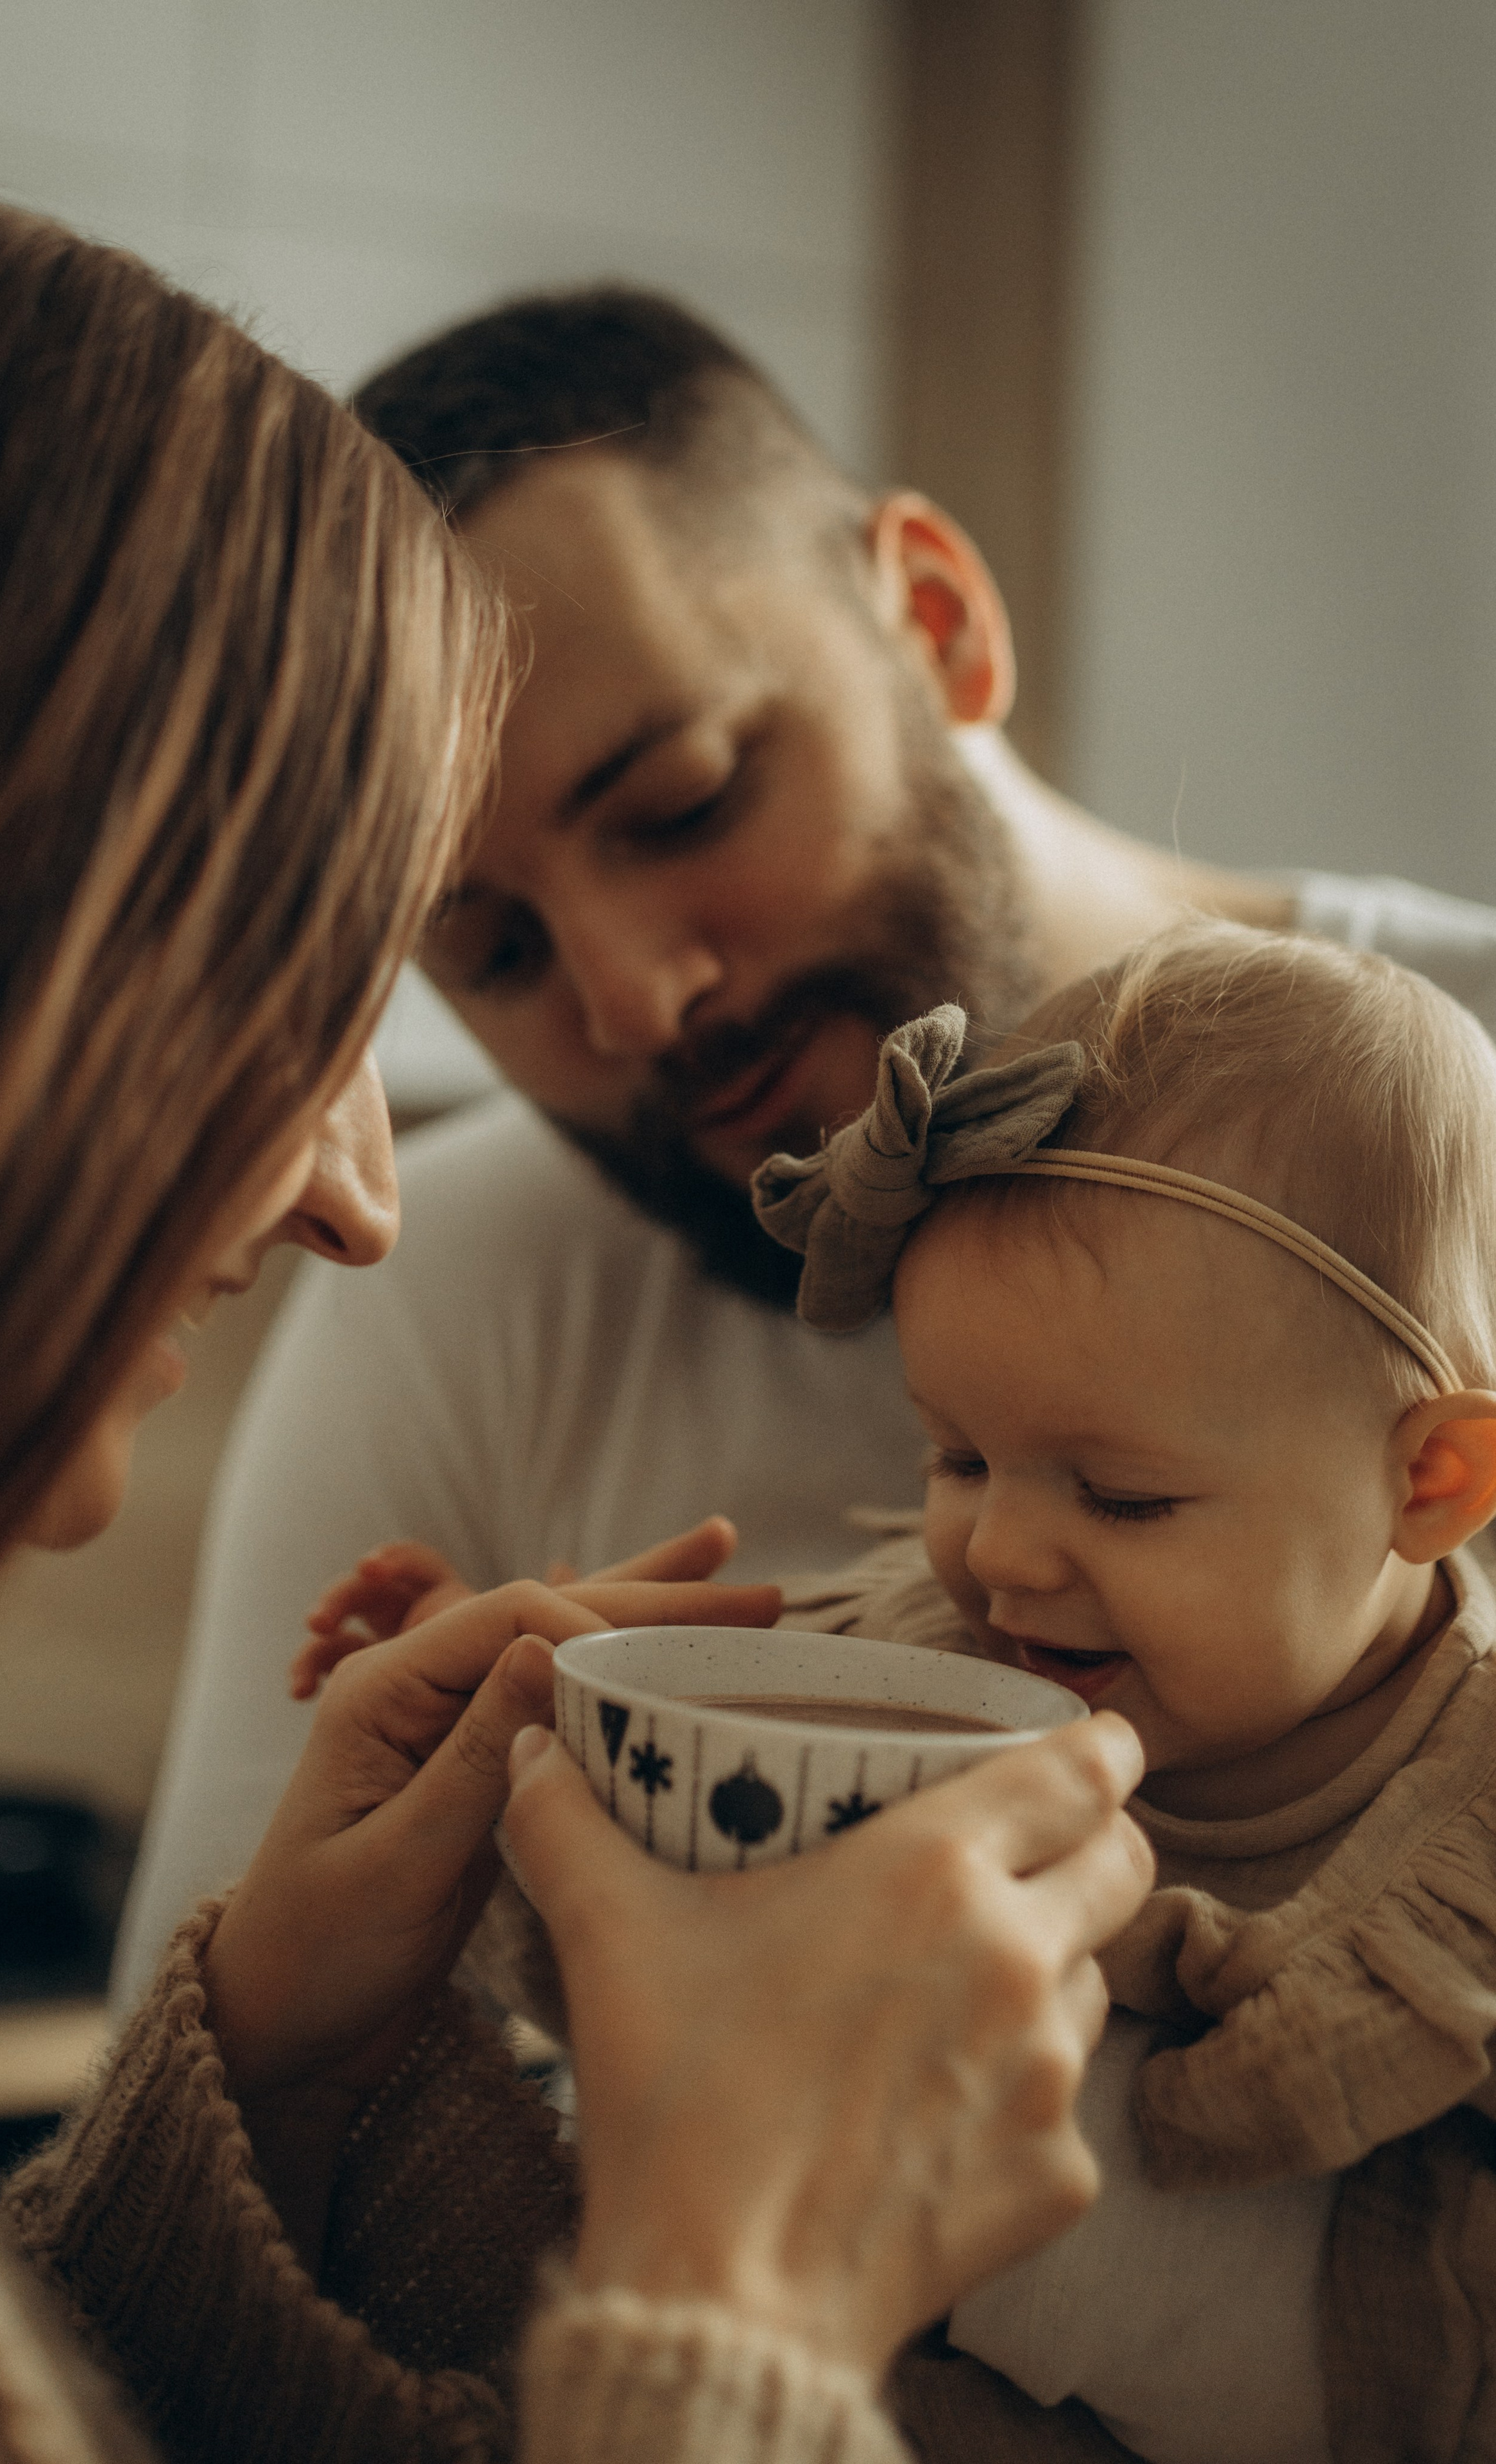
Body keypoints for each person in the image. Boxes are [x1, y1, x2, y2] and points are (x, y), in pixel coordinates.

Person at [0, 195, 1155, 2464]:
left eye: (684, 804)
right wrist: (735, 2312)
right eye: (418, 964)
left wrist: (281, 2068)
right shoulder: (479, 1278)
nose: (369, 1190)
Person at [116, 284, 1496, 2000]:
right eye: (496, 952)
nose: (632, 1003)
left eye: (687, 799)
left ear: (935, 618)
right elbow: (198, 2134)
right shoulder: (450, 1286)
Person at [742, 922, 1496, 2463]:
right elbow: (647, 1938)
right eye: (955, 1456)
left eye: (1123, 1498)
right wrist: (508, 1701)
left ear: (1428, 1480)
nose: (1000, 1551)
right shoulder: (916, 1675)